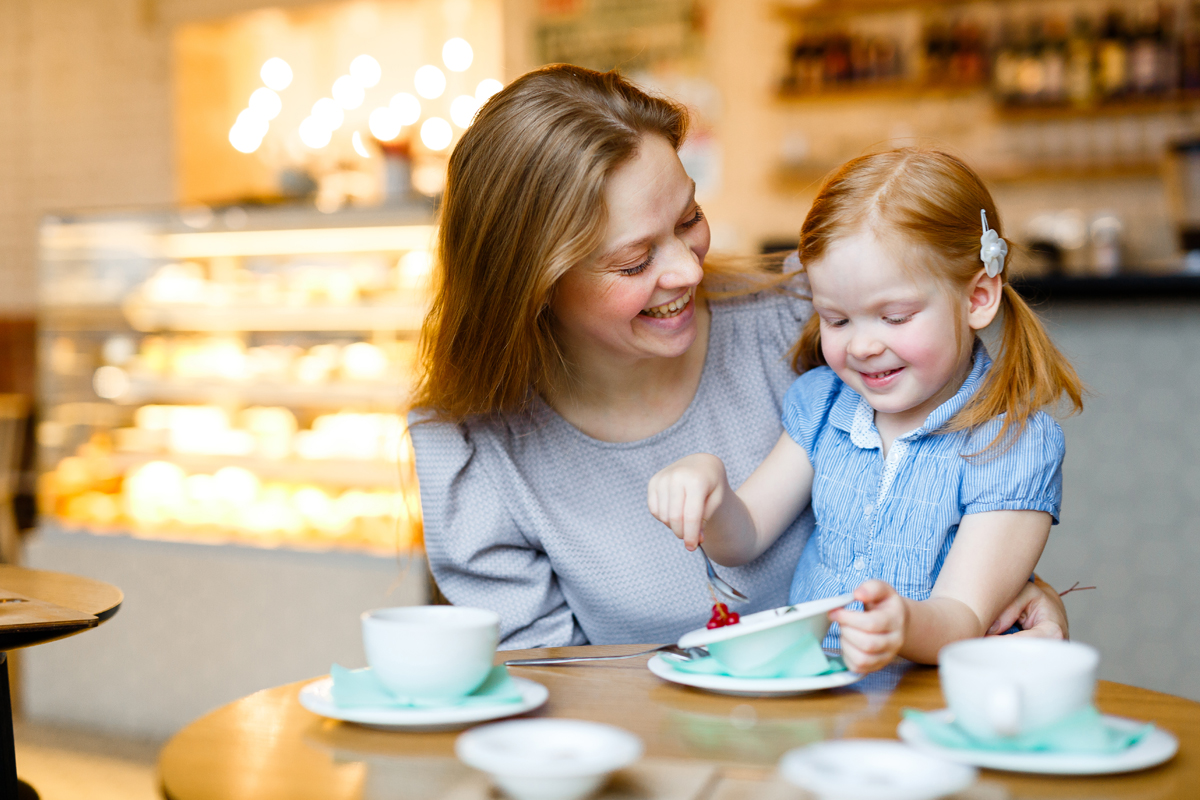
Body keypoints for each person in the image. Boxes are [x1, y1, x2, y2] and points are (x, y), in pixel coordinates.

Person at [409, 64, 1069, 650]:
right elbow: (556, 698)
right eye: (635, 261)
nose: (688, 274)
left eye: (689, 218)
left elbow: (940, 456)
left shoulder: (806, 321)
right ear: (533, 286)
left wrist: (998, 596)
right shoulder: (477, 454)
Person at [649, 149, 1083, 672]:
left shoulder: (1012, 443)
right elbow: (743, 540)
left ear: (978, 299)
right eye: (835, 319)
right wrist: (712, 490)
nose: (861, 347)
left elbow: (963, 619)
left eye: (894, 317)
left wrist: (902, 623)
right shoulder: (823, 403)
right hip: (816, 697)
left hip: (930, 709)